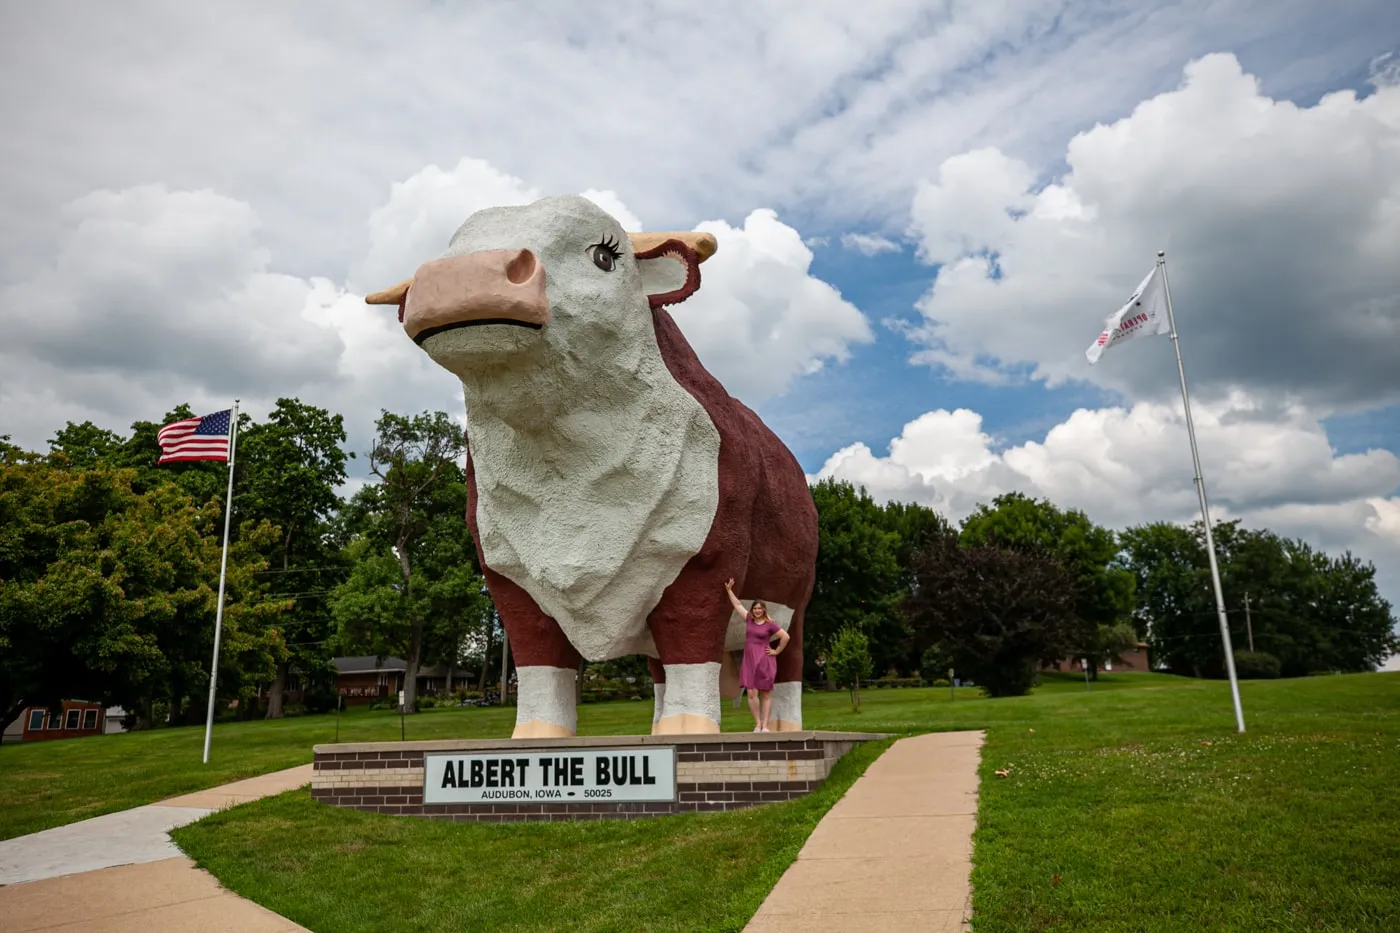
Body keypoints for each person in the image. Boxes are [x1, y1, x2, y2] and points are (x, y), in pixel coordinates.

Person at [725, 578, 789, 732]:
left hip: (765, 660)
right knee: (752, 692)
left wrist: (776, 651)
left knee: (766, 693)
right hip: (750, 660)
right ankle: (757, 723)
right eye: (755, 608)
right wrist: (729, 590)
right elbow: (738, 605)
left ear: (764, 610)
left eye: (760, 608)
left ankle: (765, 725)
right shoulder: (749, 620)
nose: (757, 610)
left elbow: (785, 637)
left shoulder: (770, 624)